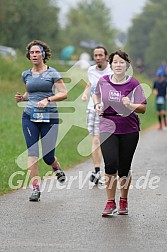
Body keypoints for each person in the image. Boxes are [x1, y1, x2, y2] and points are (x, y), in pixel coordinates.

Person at [93, 49, 147, 217]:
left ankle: (123, 200)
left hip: (128, 128)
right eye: (115, 62)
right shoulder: (103, 81)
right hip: (107, 126)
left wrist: (130, 105)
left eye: (121, 62)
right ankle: (110, 202)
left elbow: (143, 108)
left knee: (124, 169)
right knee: (110, 164)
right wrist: (97, 106)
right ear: (111, 65)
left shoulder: (134, 84)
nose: (118, 65)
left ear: (127, 65)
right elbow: (96, 96)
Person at [15, 40, 67, 202]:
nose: (35, 55)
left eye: (37, 52)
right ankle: (35, 189)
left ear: (44, 54)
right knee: (32, 152)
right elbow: (30, 92)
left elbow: (64, 93)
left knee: (47, 156)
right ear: (29, 55)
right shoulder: (26, 74)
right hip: (29, 116)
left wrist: (48, 99)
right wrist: (22, 98)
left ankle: (55, 167)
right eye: (32, 53)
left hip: (49, 117)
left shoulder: (52, 73)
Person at [81, 46, 113, 184]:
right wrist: (85, 93)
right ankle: (97, 170)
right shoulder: (91, 70)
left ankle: (111, 169)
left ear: (106, 56)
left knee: (108, 141)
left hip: (109, 111)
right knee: (95, 140)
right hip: (92, 109)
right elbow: (90, 84)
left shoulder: (112, 70)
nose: (98, 57)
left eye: (101, 55)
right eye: (96, 55)